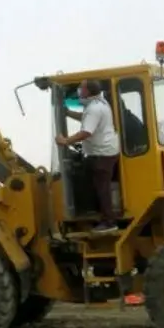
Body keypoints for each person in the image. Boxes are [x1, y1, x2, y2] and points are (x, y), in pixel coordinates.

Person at [55, 79, 121, 233]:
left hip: (101, 154)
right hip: (104, 151)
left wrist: (65, 141)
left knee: (102, 187)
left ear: (88, 91)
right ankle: (98, 215)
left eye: (81, 88)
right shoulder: (99, 104)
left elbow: (86, 132)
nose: (79, 90)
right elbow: (87, 120)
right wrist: (69, 113)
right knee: (94, 183)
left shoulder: (94, 108)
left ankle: (109, 222)